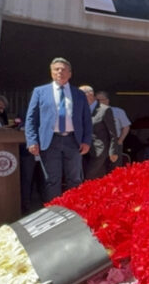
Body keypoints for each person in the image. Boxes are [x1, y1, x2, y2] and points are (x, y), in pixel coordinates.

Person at [25, 58, 92, 203]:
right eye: (56, 69)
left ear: (70, 73)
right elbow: (31, 118)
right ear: (51, 72)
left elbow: (86, 119)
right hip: (50, 141)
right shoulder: (40, 92)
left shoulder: (79, 94)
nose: (60, 72)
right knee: (51, 179)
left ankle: (74, 209)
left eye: (63, 69)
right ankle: (54, 211)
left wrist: (87, 141)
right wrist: (32, 140)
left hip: (73, 141)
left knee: (75, 179)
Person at [80, 86, 119, 180]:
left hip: (99, 150)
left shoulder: (104, 110)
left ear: (90, 95)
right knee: (87, 176)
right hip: (83, 150)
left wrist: (113, 151)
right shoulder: (80, 109)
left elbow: (112, 132)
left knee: (90, 176)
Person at [95, 91, 131, 171]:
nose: (98, 102)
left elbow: (126, 127)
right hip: (98, 142)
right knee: (98, 166)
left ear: (107, 100)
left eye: (101, 100)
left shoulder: (118, 111)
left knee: (115, 166)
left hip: (115, 141)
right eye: (97, 100)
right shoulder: (92, 112)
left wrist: (120, 140)